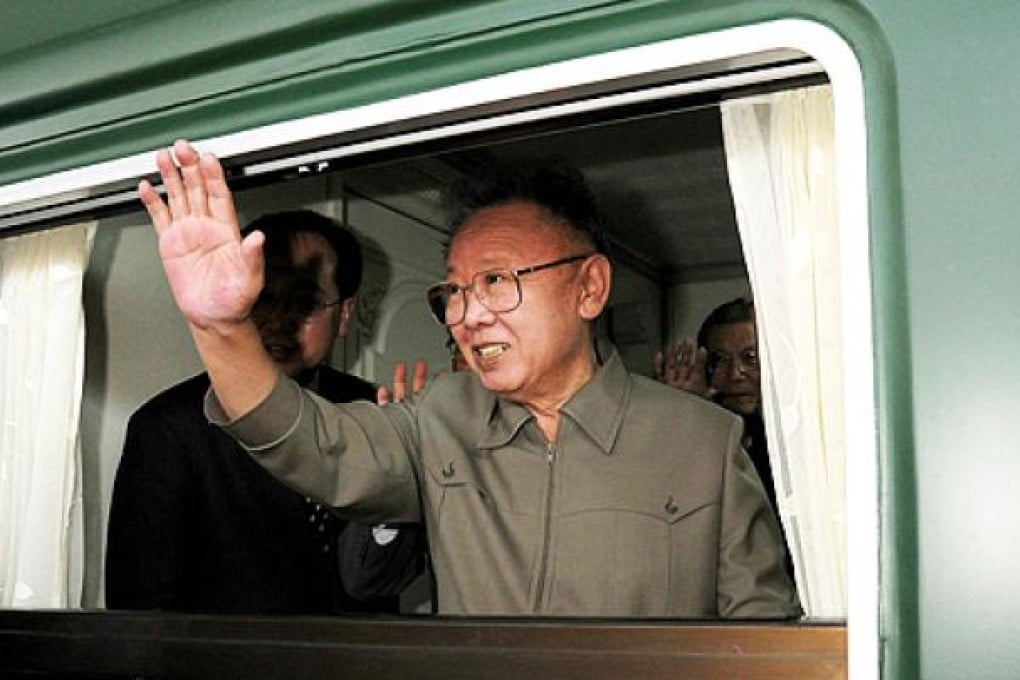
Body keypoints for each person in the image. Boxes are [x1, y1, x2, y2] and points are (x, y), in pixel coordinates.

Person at [139, 140, 798, 618]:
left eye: (496, 282)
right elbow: (312, 443)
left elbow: (759, 630)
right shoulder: (439, 418)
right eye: (452, 292)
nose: (466, 315)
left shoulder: (704, 440)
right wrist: (223, 328)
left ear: (590, 287)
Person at [105, 209, 425, 614]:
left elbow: (387, 576)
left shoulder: (378, 409)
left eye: (305, 302)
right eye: (262, 299)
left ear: (344, 314)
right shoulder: (168, 427)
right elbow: (139, 612)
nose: (278, 321)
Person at [653, 298, 777, 513]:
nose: (735, 374)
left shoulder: (799, 439)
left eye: (751, 358)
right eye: (719, 360)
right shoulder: (704, 431)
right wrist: (687, 413)